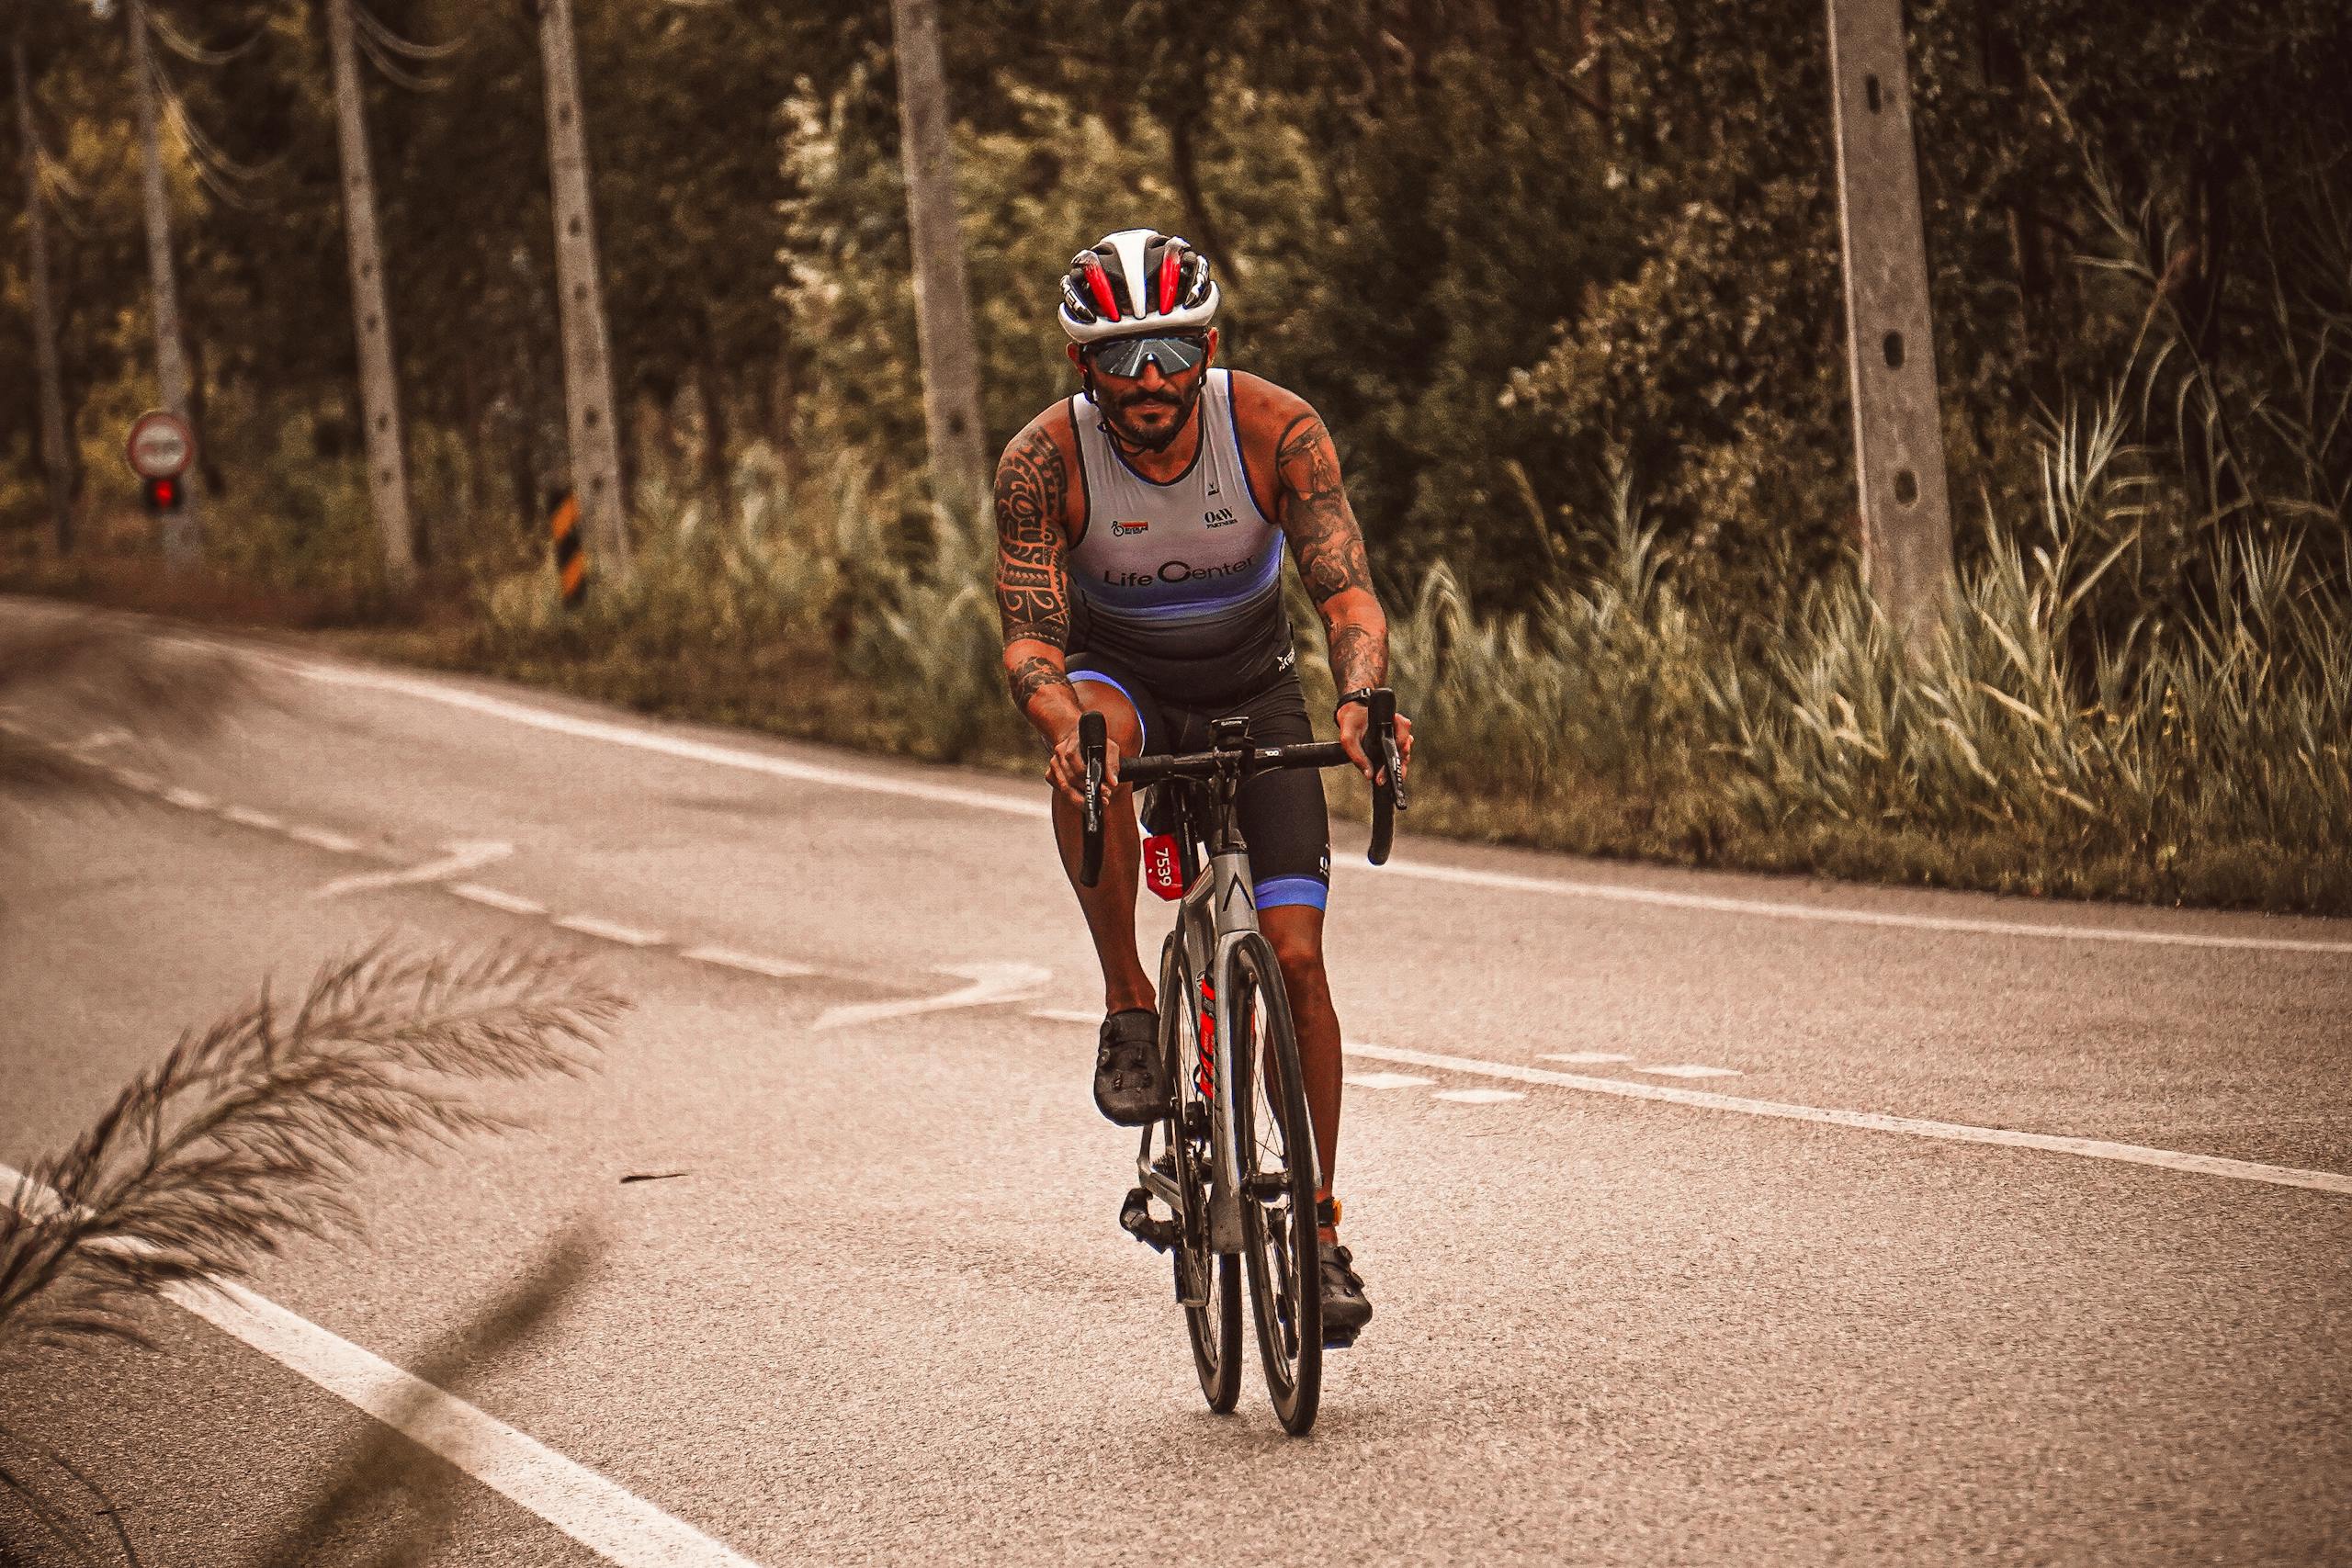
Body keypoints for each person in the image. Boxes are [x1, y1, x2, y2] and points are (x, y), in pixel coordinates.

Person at [992, 227, 1413, 1346]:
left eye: (1172, 350)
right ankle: (1130, 1000)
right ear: (1081, 364)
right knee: (1093, 743)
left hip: (1253, 690)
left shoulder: (1275, 429)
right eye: (1120, 356)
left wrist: (1360, 699)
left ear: (1209, 348)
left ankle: (1318, 1230)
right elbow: (1030, 641)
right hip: (1118, 682)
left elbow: (1347, 597)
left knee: (1298, 963)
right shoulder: (1042, 461)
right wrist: (1063, 726)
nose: (1149, 379)